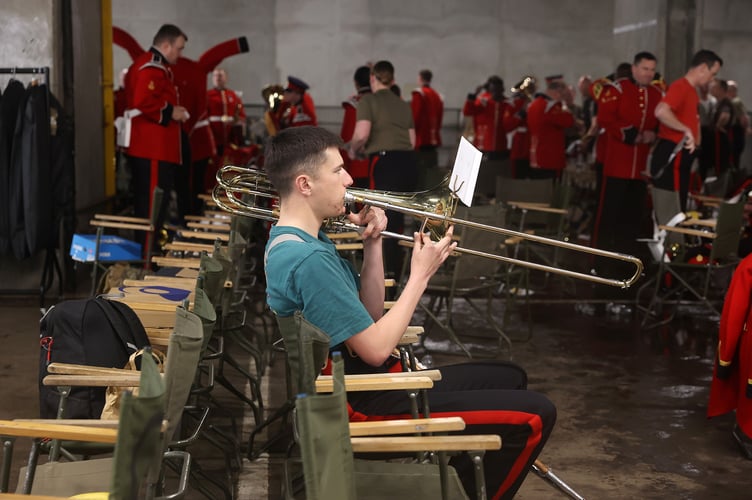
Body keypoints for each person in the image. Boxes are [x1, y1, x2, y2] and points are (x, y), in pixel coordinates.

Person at [263, 125, 557, 499]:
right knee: (534, 415)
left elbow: (365, 317)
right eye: (337, 171)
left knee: (510, 377)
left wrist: (374, 245)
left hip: (360, 383)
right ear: (305, 184)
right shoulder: (308, 259)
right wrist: (419, 276)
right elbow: (375, 349)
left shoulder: (298, 239)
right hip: (358, 401)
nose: (350, 179)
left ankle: (461, 483)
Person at [593, 51, 662, 274]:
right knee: (608, 218)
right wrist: (631, 133)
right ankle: (600, 263)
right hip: (617, 165)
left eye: (652, 70)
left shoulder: (657, 93)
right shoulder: (616, 89)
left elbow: (661, 121)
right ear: (634, 68)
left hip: (640, 169)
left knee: (631, 219)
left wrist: (654, 133)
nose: (648, 74)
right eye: (645, 69)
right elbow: (605, 118)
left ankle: (626, 264)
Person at [349, 60, 417, 277]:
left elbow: (361, 134)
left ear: (372, 79)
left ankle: (382, 273)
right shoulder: (403, 103)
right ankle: (395, 271)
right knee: (396, 218)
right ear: (393, 79)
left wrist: (354, 150)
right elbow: (413, 141)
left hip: (384, 162)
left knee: (379, 214)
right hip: (407, 162)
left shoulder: (368, 100)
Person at [124, 24, 189, 235]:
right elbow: (143, 101)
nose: (180, 54)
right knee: (152, 205)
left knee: (155, 205)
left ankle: (149, 253)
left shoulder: (157, 66)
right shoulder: (151, 67)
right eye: (178, 48)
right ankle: (147, 258)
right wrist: (171, 112)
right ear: (166, 45)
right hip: (152, 148)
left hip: (155, 148)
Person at [651, 49, 723, 211]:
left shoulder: (691, 91)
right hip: (672, 153)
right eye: (712, 74)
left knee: (680, 205)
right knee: (673, 209)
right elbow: (661, 111)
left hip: (682, 156)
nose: (712, 79)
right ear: (703, 68)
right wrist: (686, 130)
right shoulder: (680, 86)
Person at [462, 75, 513, 196]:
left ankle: (496, 194)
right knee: (483, 171)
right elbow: (468, 111)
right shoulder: (484, 100)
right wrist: (475, 93)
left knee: (498, 171)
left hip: (501, 144)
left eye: (499, 89)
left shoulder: (505, 102)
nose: (496, 92)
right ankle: (481, 193)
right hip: (483, 143)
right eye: (494, 89)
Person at [527, 77, 575, 180]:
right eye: (563, 94)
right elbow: (569, 121)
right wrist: (565, 105)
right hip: (550, 159)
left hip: (535, 156)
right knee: (550, 192)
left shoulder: (532, 104)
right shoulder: (550, 107)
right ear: (557, 92)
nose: (563, 97)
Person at [340, 65, 372, 188]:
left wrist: (343, 163)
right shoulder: (381, 103)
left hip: (359, 165)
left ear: (356, 83)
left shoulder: (354, 105)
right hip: (381, 164)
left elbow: (347, 136)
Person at [411, 69, 444, 179]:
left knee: (420, 171)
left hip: (421, 138)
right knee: (431, 169)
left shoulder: (419, 94)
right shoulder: (437, 95)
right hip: (434, 138)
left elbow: (415, 117)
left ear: (420, 78)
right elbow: (439, 117)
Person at [207, 67, 246, 159]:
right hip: (214, 135)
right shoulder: (207, 95)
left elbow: (241, 114)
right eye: (215, 76)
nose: (218, 78)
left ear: (226, 78)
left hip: (230, 136)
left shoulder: (233, 95)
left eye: (220, 75)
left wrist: (237, 121)